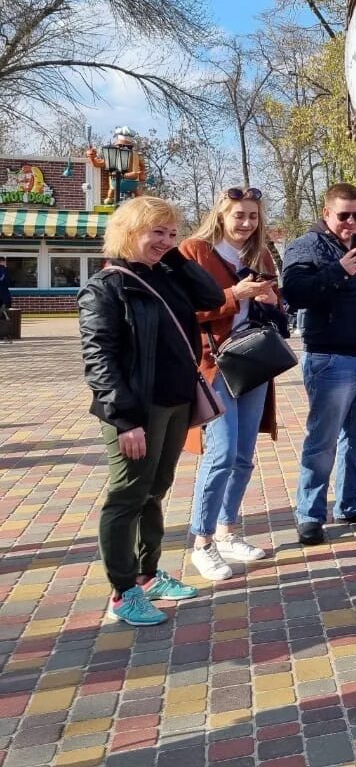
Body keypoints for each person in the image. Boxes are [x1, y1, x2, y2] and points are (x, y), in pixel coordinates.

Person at [77, 196, 225, 626]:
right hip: (138, 409)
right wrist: (124, 419)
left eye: (171, 232)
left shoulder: (165, 274)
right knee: (127, 497)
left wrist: (174, 256)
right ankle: (123, 592)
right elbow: (99, 359)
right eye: (155, 232)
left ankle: (147, 574)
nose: (165, 241)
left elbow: (211, 295)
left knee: (155, 490)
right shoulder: (107, 287)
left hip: (176, 402)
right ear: (128, 232)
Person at [283, 183, 356, 545]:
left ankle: (349, 504)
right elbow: (295, 293)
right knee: (323, 441)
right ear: (326, 213)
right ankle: (309, 514)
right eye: (343, 215)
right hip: (331, 360)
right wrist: (338, 271)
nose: (351, 222)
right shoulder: (307, 246)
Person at [180, 187, 285, 581]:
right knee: (221, 453)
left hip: (253, 361)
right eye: (239, 215)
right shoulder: (195, 251)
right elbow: (185, 308)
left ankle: (227, 530)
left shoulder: (258, 254)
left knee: (243, 454)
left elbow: (277, 304)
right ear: (221, 215)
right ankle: (202, 542)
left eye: (253, 216)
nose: (246, 223)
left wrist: (271, 301)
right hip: (214, 363)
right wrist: (233, 295)